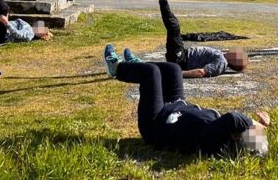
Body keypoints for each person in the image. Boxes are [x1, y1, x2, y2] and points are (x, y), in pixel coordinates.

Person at [103, 44, 269, 156]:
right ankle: (135, 66)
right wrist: (262, 127)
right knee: (173, 69)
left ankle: (116, 68)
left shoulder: (214, 143)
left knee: (151, 72)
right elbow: (239, 125)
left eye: (243, 133)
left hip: (155, 123)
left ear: (237, 139)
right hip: (177, 105)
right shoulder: (224, 133)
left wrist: (257, 126)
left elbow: (235, 119)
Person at [145, 0, 247, 78]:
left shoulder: (221, 63)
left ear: (235, 60)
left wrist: (176, 74)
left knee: (174, 27)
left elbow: (201, 72)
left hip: (181, 60)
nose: (238, 51)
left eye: (240, 55)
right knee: (173, 27)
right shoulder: (222, 56)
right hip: (182, 55)